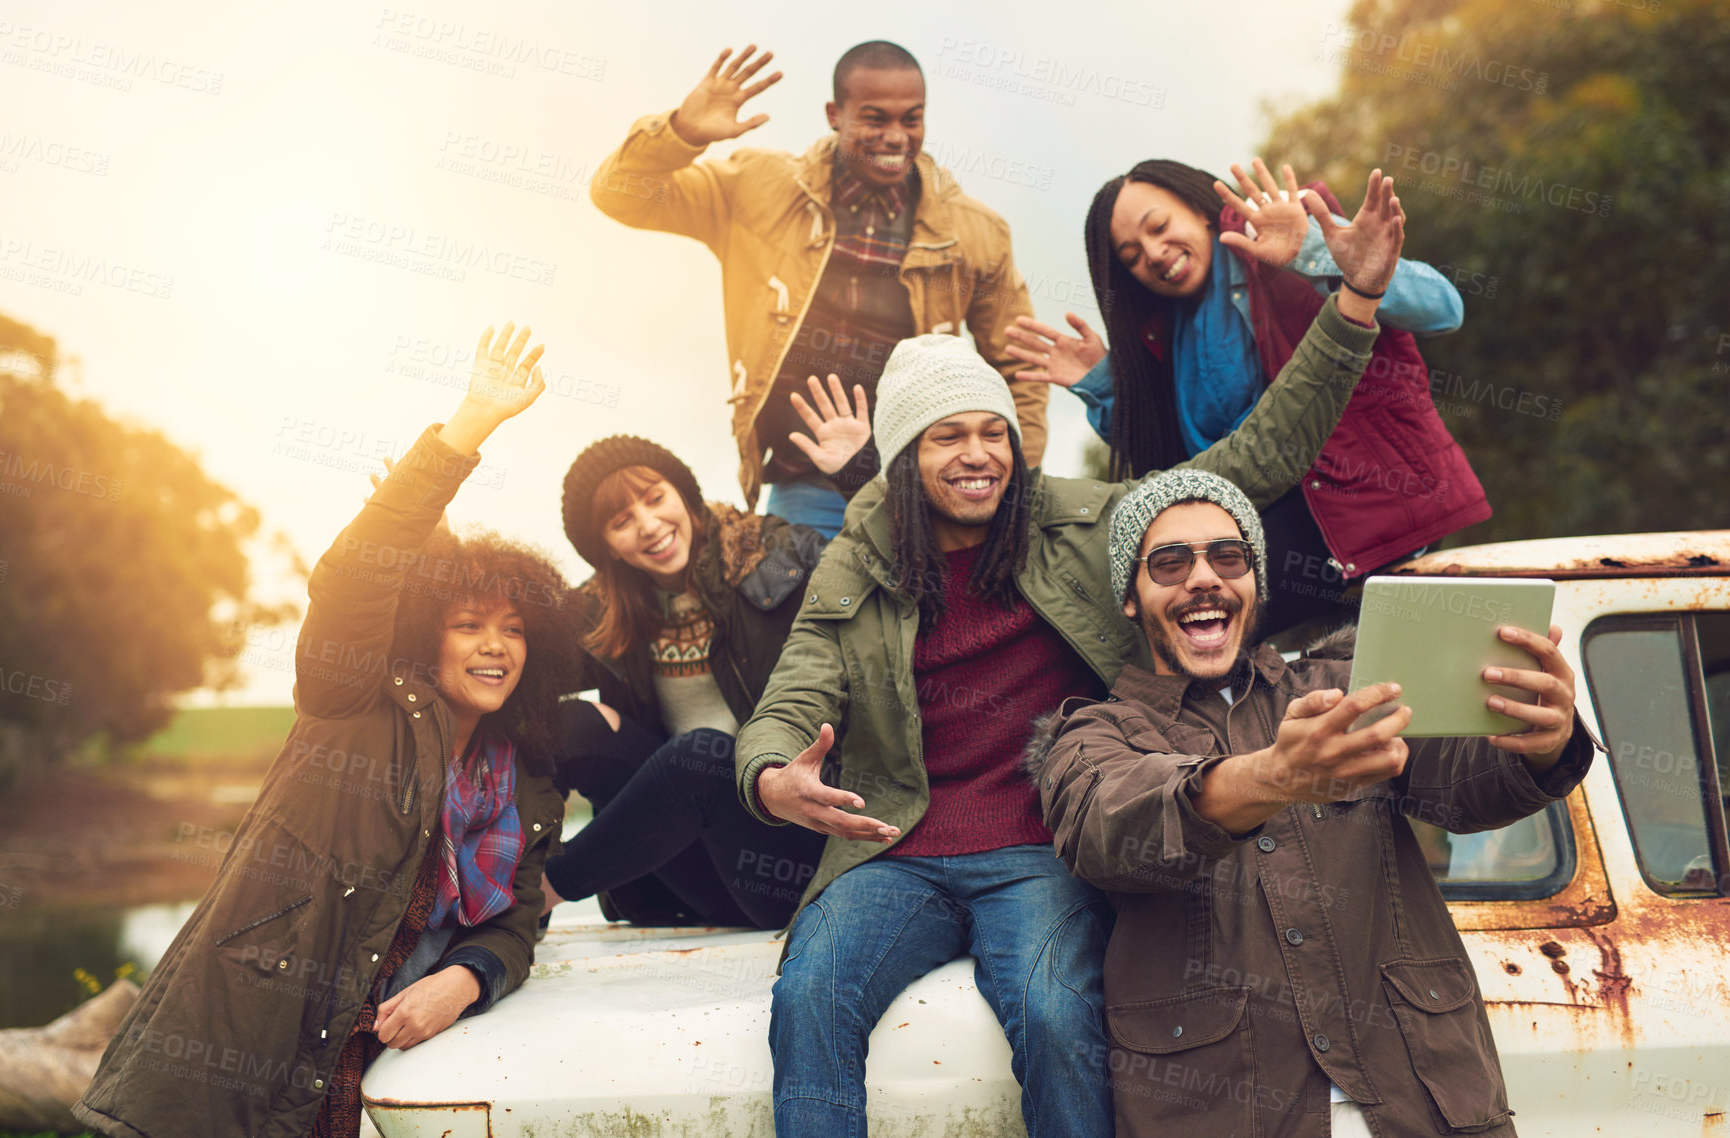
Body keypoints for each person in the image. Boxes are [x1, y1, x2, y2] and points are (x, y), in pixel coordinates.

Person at [733, 183, 1400, 1133]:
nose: (979, 455)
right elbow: (793, 694)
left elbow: (1255, 458)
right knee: (807, 1001)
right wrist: (769, 775)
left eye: (993, 432)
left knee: (1054, 1012)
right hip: (894, 849)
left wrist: (1355, 307)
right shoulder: (859, 556)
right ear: (903, 460)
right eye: (947, 437)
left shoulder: (1085, 525)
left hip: (1037, 845)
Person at [73, 325, 574, 1138]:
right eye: (470, 624)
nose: (493, 645)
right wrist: (467, 428)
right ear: (427, 634)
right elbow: (354, 578)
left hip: (373, 1066)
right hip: (232, 1060)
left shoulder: (527, 777)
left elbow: (515, 922)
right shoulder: (355, 705)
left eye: (513, 630)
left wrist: (468, 978)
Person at [1029, 468, 1595, 1138]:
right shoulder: (1091, 734)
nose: (1203, 578)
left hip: (1425, 1107)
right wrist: (1275, 776)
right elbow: (1111, 830)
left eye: (1228, 557)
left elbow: (1466, 784)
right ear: (1131, 595)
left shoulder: (1350, 685)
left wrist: (1540, 739)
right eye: (1170, 562)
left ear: (1255, 582)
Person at [1005, 158, 1488, 635]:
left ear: (1199, 209)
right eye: (1131, 256)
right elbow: (1189, 467)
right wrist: (1109, 387)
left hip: (1369, 505)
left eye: (1159, 226)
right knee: (1146, 604)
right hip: (1273, 523)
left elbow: (1444, 309)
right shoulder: (1168, 332)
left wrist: (1318, 254)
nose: (1152, 253)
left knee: (1164, 612)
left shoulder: (1282, 227)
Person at [590, 40, 1048, 536]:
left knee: (929, 613)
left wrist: (1014, 482)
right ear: (835, 113)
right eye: (875, 119)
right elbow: (619, 195)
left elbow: (1022, 367)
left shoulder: (977, 232)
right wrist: (679, 133)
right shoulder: (755, 187)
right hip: (805, 483)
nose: (896, 137)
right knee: (807, 613)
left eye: (912, 120)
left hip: (925, 487)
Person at [541, 375, 873, 928]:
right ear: (605, 547)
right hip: (683, 866)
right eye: (621, 522)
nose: (649, 527)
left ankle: (533, 896)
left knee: (706, 754)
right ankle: (512, 887)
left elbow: (884, 571)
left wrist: (860, 475)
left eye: (654, 498)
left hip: (783, 857)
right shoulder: (603, 610)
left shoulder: (776, 556)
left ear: (682, 494)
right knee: (567, 724)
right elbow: (501, 667)